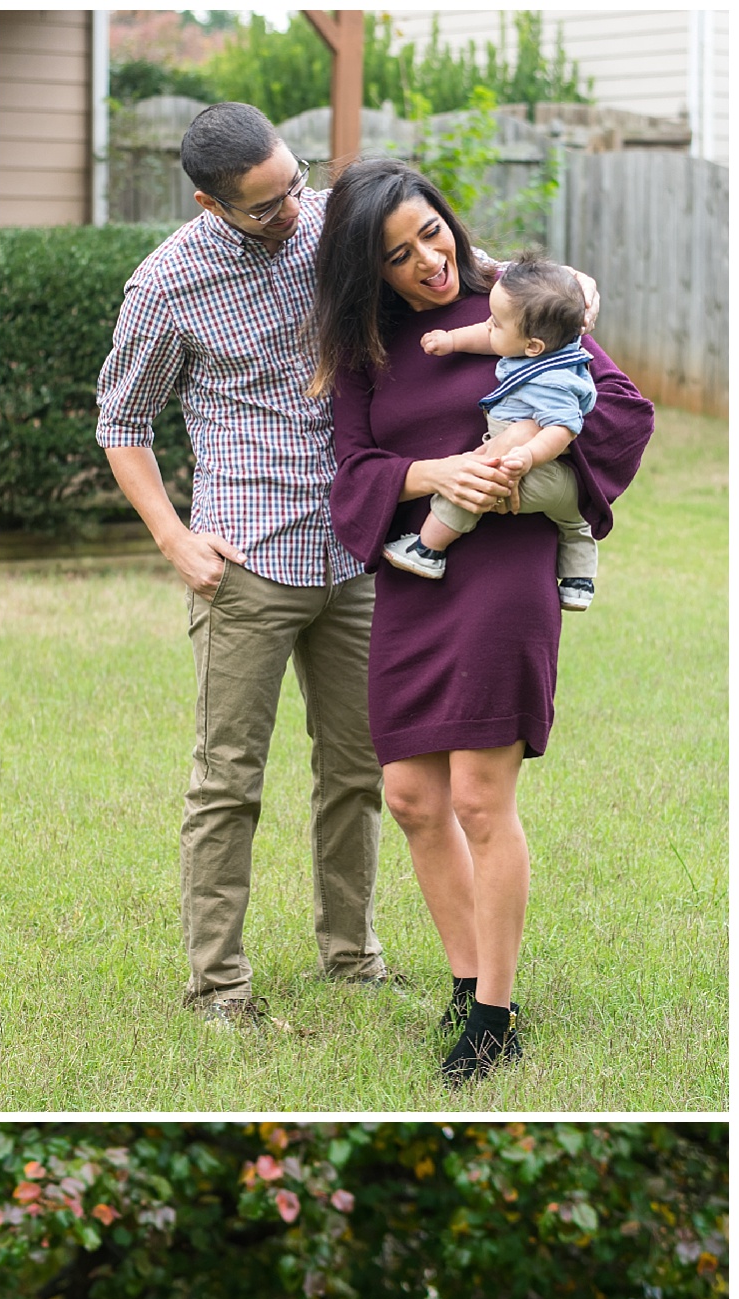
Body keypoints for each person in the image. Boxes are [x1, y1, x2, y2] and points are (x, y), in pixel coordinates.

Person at [95, 103, 600, 1034]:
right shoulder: (166, 284)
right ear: (212, 202)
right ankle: (218, 987)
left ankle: (352, 956)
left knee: (364, 774)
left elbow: (487, 286)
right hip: (252, 558)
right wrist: (174, 537)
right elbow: (121, 422)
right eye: (262, 207)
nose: (292, 212)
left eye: (295, 184)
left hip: (366, 552)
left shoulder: (344, 221)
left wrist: (552, 291)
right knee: (228, 777)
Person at [313, 161, 652, 1083]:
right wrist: (433, 475)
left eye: (433, 233)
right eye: (399, 254)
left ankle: (496, 1013)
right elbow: (353, 473)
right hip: (412, 572)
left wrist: (506, 477)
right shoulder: (368, 350)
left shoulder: (516, 297)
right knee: (413, 798)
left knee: (478, 800)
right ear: (367, 271)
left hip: (502, 574)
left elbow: (619, 409)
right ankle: (465, 985)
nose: (429, 260)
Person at [385, 254, 599, 609]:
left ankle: (427, 549)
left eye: (496, 322)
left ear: (532, 347)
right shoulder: (546, 348)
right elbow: (491, 339)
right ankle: (579, 582)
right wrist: (451, 340)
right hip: (560, 484)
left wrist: (525, 456)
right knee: (574, 523)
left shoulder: (553, 381)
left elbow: (562, 428)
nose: (488, 324)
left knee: (469, 488)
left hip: (534, 469)